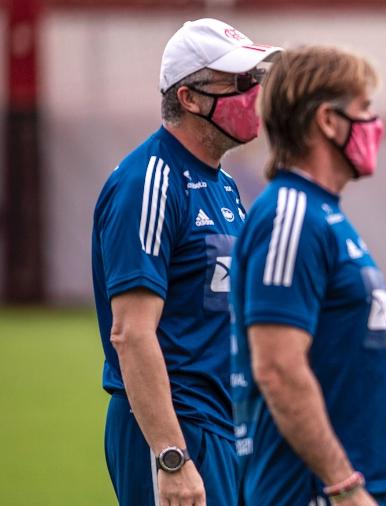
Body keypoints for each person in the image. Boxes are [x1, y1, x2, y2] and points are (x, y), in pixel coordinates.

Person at [91, 18, 281, 506]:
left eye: (255, 80)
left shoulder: (224, 185)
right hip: (176, 430)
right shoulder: (148, 182)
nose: (254, 94)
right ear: (189, 97)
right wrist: (170, 456)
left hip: (225, 426)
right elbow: (131, 333)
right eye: (238, 82)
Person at [229, 46, 386, 506]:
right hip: (314, 492)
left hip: (366, 488)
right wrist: (344, 487)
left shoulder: (325, 215)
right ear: (328, 122)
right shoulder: (290, 216)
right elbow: (278, 368)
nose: (376, 126)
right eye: (364, 110)